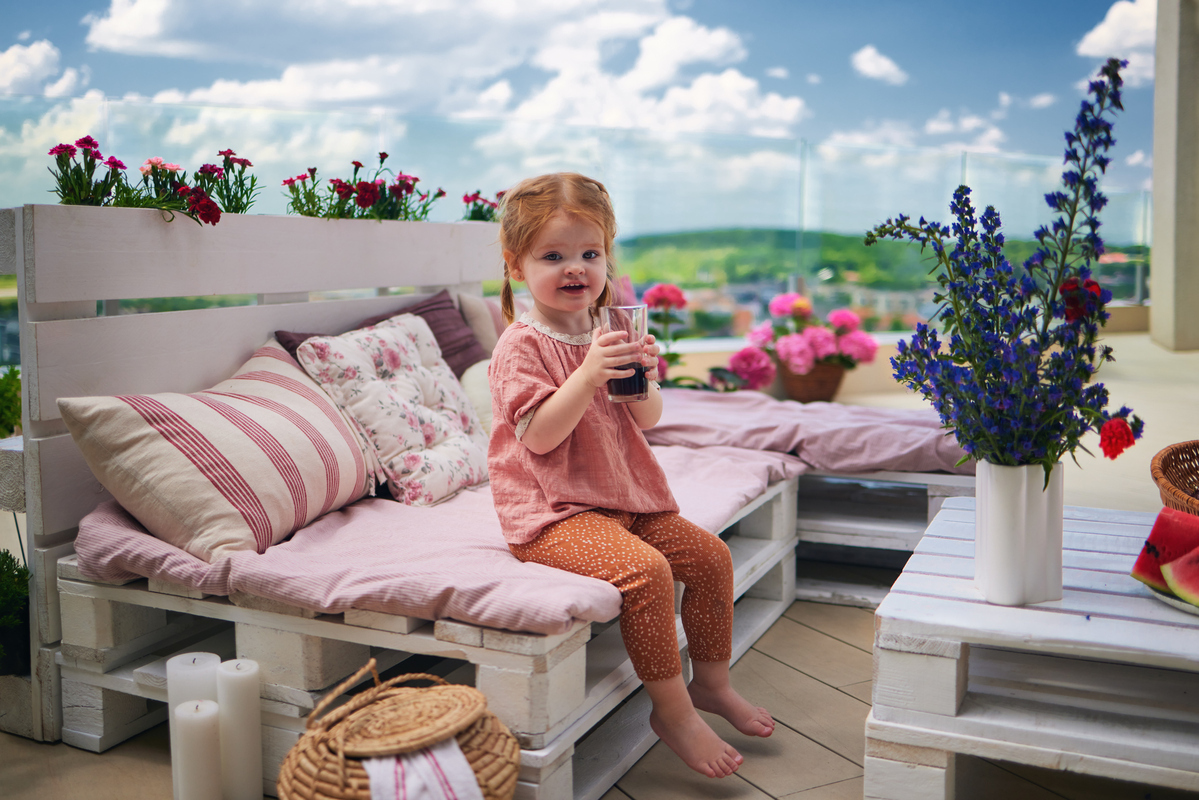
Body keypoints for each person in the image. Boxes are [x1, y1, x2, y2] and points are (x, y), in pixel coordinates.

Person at [487, 172, 774, 779]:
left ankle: (712, 685)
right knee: (647, 572)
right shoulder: (520, 346)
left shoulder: (606, 330)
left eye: (590, 254)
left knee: (709, 556)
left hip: (623, 498)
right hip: (553, 513)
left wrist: (643, 372)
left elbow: (646, 418)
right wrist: (587, 374)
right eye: (554, 256)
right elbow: (538, 436)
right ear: (517, 265)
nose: (576, 269)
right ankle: (671, 712)